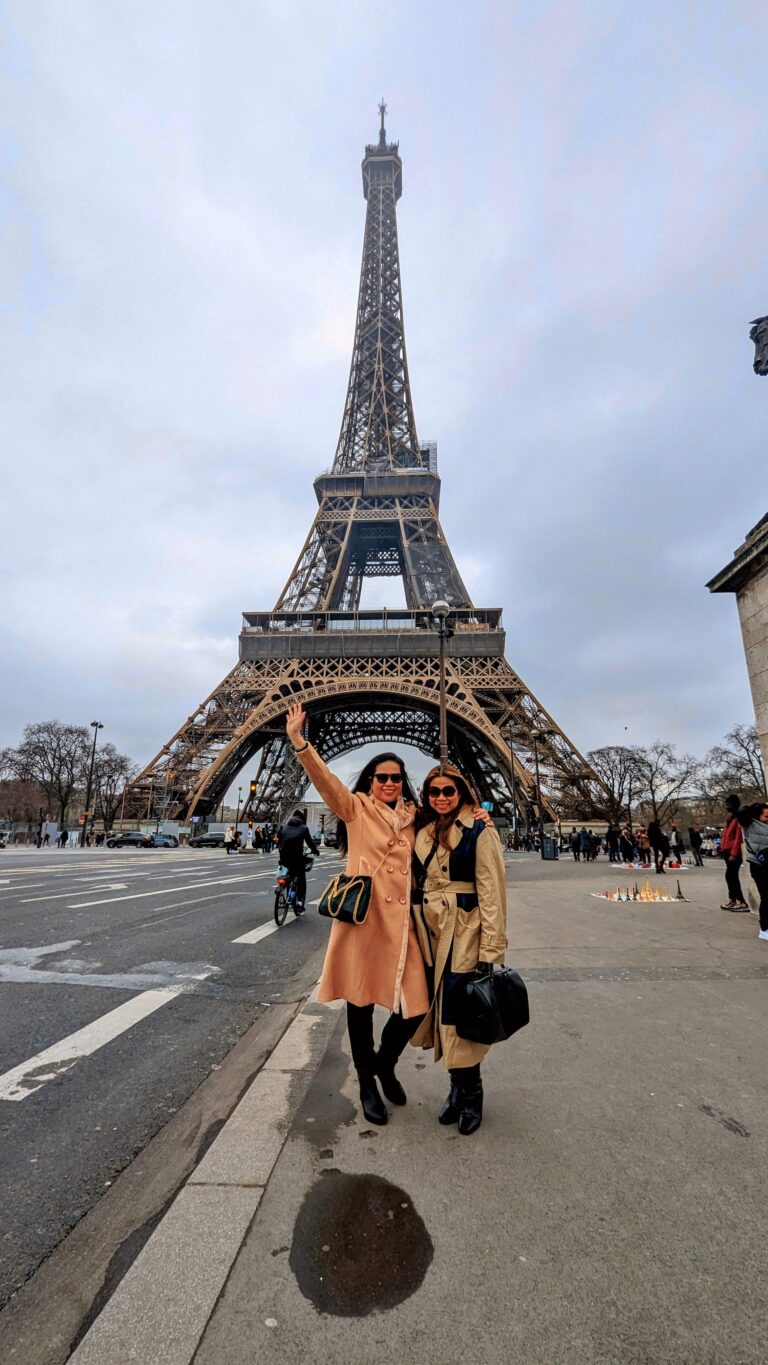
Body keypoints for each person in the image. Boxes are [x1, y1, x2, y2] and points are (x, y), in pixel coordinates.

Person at [285, 702, 430, 1126]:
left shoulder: (414, 817)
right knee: (361, 1004)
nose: (389, 782)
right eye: (381, 777)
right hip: (366, 921)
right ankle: (367, 1081)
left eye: (396, 777)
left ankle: (385, 1063)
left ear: (404, 783)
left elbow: (448, 815)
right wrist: (299, 741)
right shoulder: (356, 809)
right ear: (371, 781)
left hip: (402, 925)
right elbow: (326, 782)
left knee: (416, 1006)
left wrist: (478, 816)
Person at [409, 764, 507, 1135]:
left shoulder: (480, 830)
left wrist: (491, 950)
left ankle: (472, 1093)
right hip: (432, 933)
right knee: (443, 1016)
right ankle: (457, 1088)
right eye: (434, 792)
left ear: (462, 793)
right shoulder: (424, 829)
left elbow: (492, 892)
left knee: (459, 1015)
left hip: (465, 932)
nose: (441, 797)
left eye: (448, 791)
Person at [737, 800, 768, 939]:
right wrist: (749, 809)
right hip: (759, 866)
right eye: (766, 816)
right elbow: (741, 813)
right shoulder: (749, 825)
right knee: (767, 897)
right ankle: (764, 929)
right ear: (756, 816)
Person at [278, 809, 319, 913]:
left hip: (284, 859)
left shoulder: (284, 828)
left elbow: (279, 842)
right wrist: (315, 851)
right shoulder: (303, 828)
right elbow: (310, 842)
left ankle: (282, 890)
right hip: (297, 859)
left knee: (286, 876)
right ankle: (299, 902)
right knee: (301, 879)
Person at [719, 795, 748, 911]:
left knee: (731, 876)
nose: (727, 807)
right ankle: (733, 899)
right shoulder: (730, 818)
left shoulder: (737, 818)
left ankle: (740, 901)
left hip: (732, 852)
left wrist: (734, 853)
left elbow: (738, 837)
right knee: (730, 876)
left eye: (729, 805)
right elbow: (726, 835)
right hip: (727, 850)